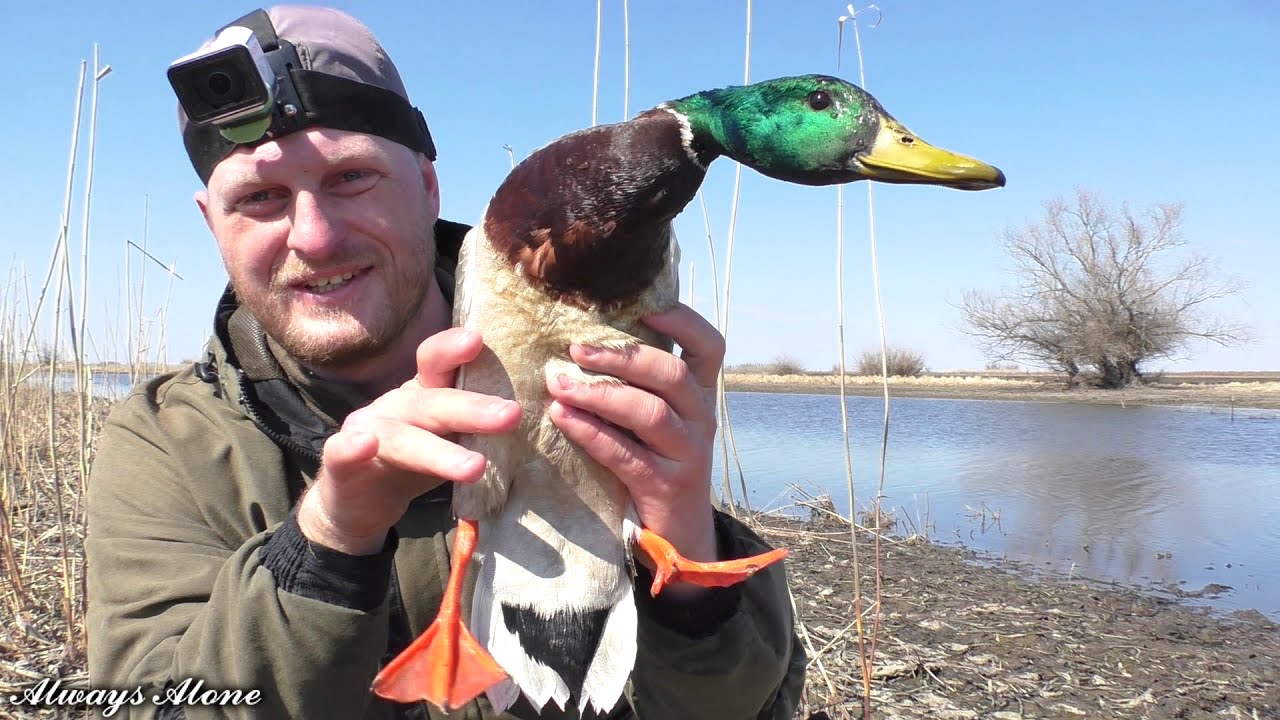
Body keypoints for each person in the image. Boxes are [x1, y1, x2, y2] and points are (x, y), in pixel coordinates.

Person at [86, 6, 804, 719]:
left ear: (429, 187)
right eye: (261, 198)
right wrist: (331, 540)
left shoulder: (605, 363)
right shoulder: (170, 444)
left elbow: (741, 706)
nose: (314, 236)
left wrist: (689, 567)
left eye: (350, 178)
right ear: (213, 223)